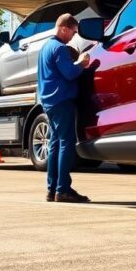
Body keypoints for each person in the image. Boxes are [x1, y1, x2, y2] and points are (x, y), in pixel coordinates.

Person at [37, 13, 92, 203]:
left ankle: (52, 190)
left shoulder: (45, 48)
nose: (73, 37)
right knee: (67, 144)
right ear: (63, 28)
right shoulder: (60, 49)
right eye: (73, 32)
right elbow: (69, 73)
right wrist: (82, 63)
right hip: (62, 100)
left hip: (49, 101)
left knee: (54, 144)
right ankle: (63, 189)